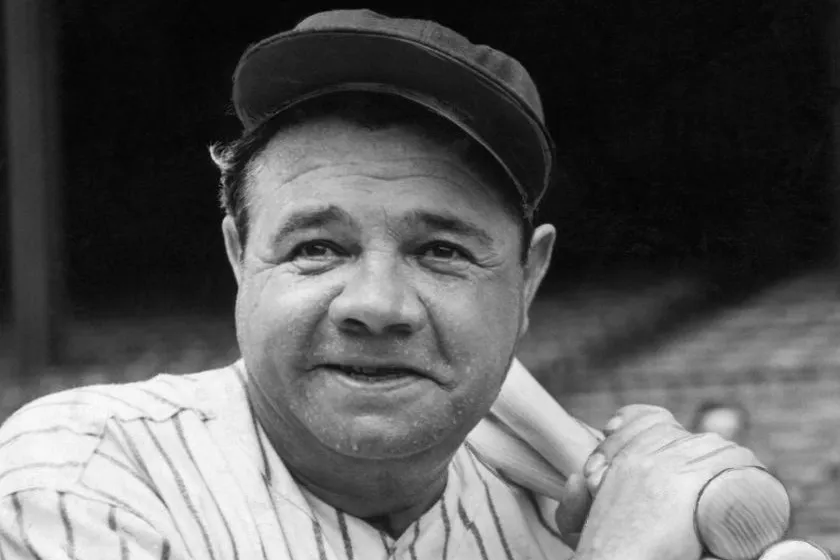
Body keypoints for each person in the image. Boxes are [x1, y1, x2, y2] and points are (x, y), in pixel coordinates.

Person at [0, 9, 827, 560]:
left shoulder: (555, 521)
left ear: (529, 278)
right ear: (238, 256)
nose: (377, 306)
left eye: (442, 252)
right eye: (318, 248)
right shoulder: (81, 473)